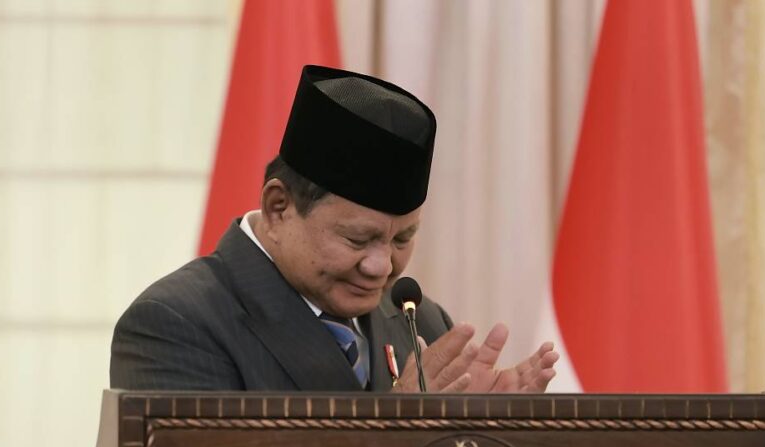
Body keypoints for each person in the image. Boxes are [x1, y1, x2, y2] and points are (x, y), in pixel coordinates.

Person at [110, 65, 558, 392]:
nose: (382, 267)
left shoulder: (419, 321)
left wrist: (489, 435)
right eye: (358, 239)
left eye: (403, 238)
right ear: (279, 207)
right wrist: (398, 432)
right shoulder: (176, 323)